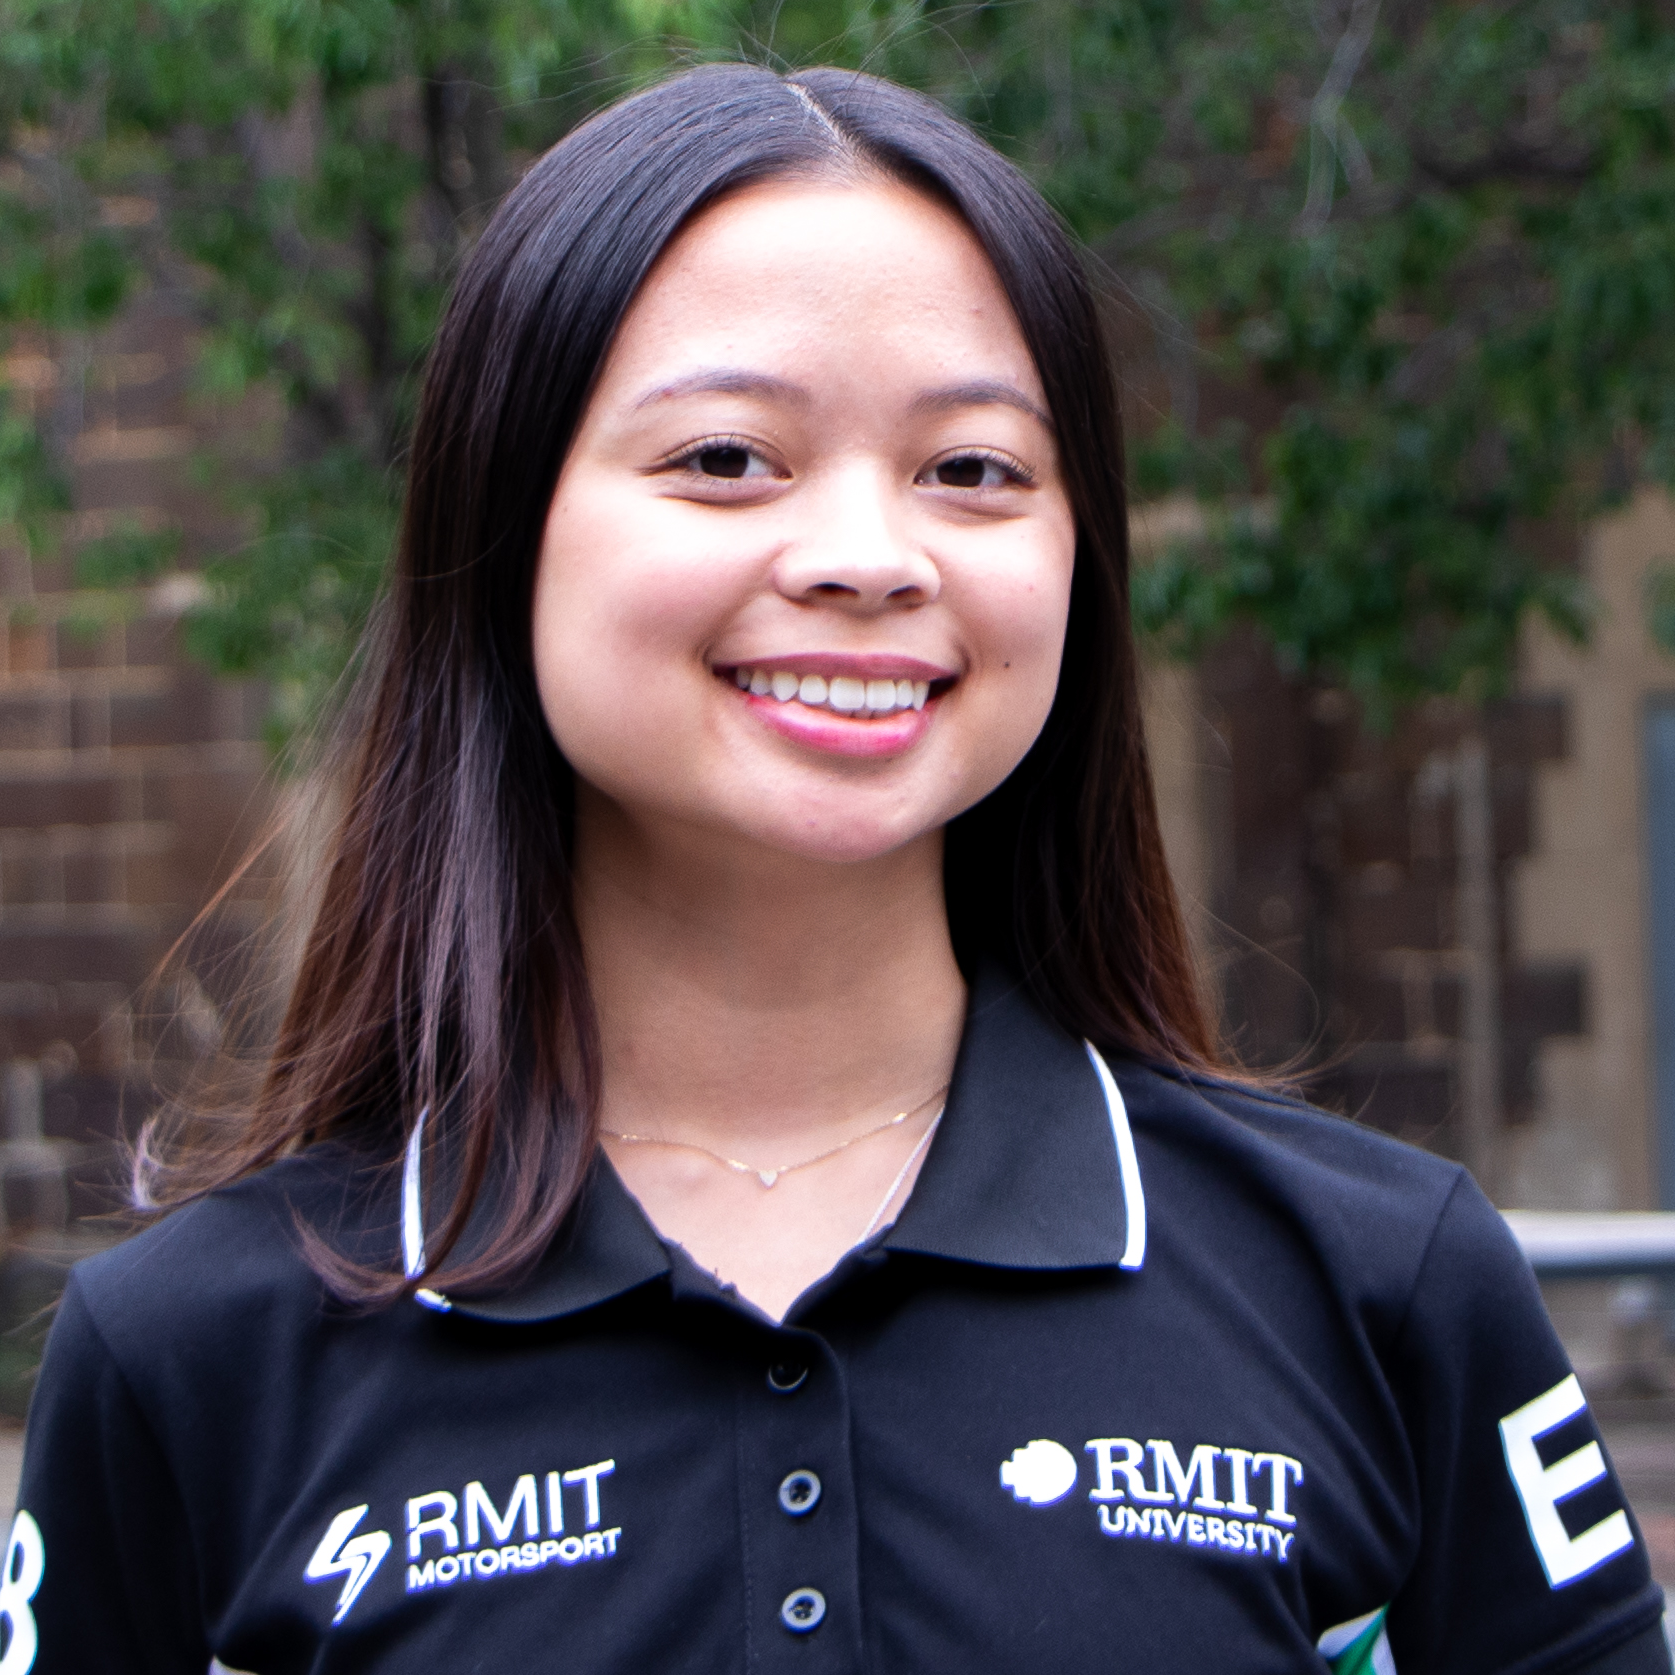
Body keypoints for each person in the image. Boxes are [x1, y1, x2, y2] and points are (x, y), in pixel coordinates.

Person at [10, 62, 1670, 1675]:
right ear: (502, 526)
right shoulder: (191, 1358)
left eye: (973, 470)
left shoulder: (1381, 1284)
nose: (870, 558)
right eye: (727, 457)